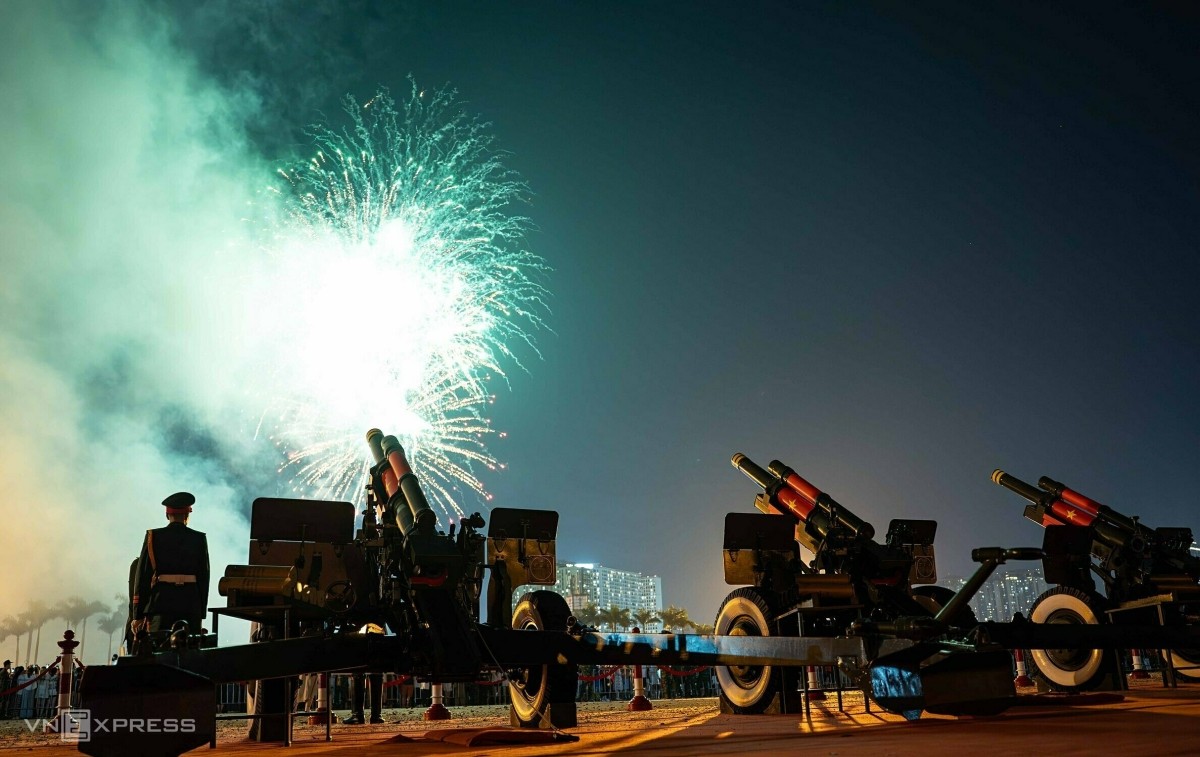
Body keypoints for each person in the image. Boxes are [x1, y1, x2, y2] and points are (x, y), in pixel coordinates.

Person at [131, 492, 210, 637]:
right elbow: (204, 578)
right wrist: (200, 612)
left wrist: (138, 615)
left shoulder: (153, 536)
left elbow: (143, 577)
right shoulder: (199, 538)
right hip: (190, 605)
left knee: (158, 646)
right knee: (189, 647)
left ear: (167, 515)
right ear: (187, 515)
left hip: (161, 604)